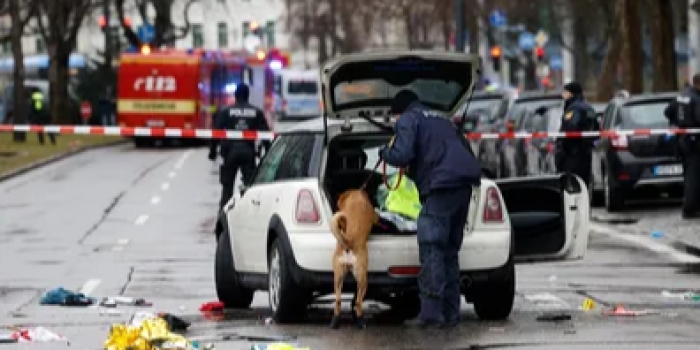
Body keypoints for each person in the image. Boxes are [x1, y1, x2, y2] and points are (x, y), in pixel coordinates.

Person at [378, 90, 481, 328]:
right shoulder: (442, 119)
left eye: (394, 117)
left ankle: (432, 315)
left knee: (432, 249)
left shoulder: (408, 119)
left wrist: (385, 152)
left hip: (440, 187)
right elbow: (464, 149)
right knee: (449, 253)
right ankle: (451, 314)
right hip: (463, 187)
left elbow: (402, 154)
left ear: (398, 112)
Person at [209, 84, 271, 234]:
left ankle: (222, 223)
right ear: (248, 95)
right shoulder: (256, 112)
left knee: (227, 188)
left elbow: (216, 132)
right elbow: (265, 135)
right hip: (248, 153)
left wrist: (212, 151)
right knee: (250, 189)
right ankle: (251, 222)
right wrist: (268, 153)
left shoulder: (225, 111)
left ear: (235, 96)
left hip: (229, 153)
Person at [664, 74, 700, 219]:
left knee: (689, 175)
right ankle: (690, 208)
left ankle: (691, 206)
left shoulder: (681, 96)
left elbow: (667, 112)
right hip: (695, 141)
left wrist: (677, 122)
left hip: (682, 141)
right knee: (694, 176)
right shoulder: (696, 99)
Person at [555, 82, 596, 189]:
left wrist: (562, 145)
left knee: (572, 183)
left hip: (573, 152)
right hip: (586, 151)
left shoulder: (574, 109)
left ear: (572, 93)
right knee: (584, 182)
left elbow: (570, 128)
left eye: (565, 92)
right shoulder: (588, 107)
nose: (563, 94)